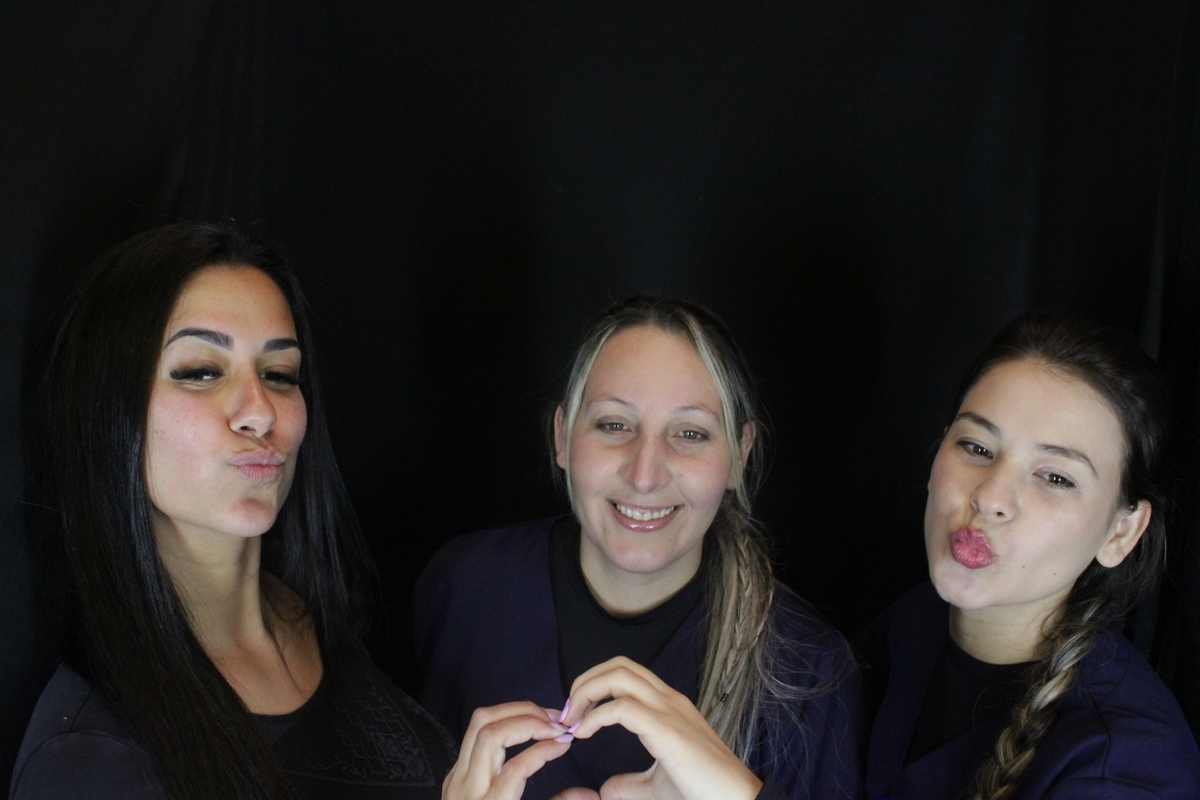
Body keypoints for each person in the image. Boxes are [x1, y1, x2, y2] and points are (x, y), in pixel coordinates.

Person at [10, 223, 456, 800]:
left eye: (279, 375)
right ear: (110, 409)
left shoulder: (309, 618)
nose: (260, 412)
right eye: (201, 372)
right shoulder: (87, 759)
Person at [416, 296, 864, 800]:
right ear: (562, 437)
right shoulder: (463, 589)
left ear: (739, 456)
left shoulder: (807, 671)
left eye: (690, 433)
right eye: (614, 425)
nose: (644, 475)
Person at [857, 311, 1200, 799]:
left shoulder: (1126, 767)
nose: (990, 497)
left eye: (1055, 477)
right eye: (976, 447)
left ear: (1121, 532)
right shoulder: (910, 626)